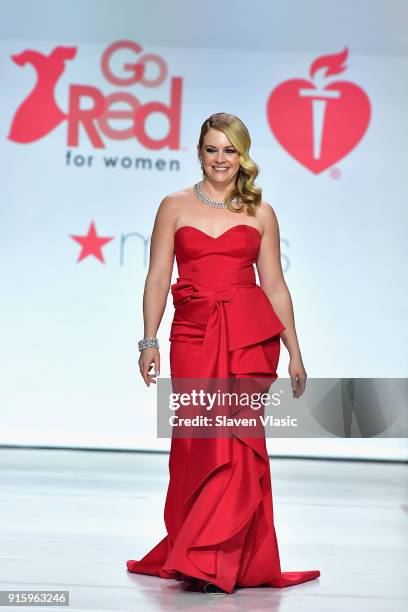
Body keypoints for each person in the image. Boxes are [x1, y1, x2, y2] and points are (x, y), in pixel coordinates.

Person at [126, 112, 320, 594]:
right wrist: (149, 341)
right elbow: (156, 277)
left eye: (229, 150)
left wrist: (294, 350)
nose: (220, 159)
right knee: (198, 442)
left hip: (247, 341)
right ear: (199, 153)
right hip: (192, 336)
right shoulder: (173, 205)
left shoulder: (261, 212)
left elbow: (274, 286)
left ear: (243, 156)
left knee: (238, 443)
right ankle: (196, 551)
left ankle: (220, 560)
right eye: (212, 149)